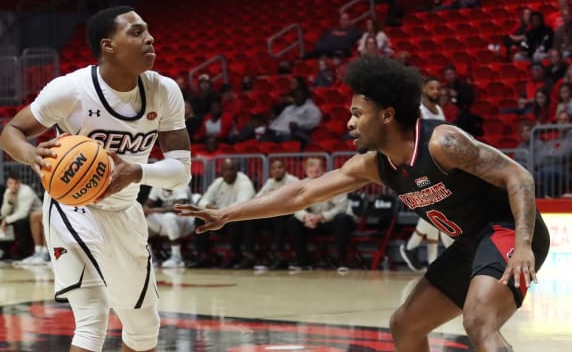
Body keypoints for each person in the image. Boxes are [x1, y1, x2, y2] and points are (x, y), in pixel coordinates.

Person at [176, 56, 550, 351]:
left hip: (509, 231)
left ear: (387, 115)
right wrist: (226, 214)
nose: (349, 122)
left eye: (357, 114)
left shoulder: (442, 143)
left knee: (479, 322)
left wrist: (522, 246)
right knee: (405, 325)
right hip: (469, 243)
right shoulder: (374, 165)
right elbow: (303, 193)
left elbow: (518, 176)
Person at [0, 6, 191, 352]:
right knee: (92, 317)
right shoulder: (70, 90)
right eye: (136, 32)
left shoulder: (165, 91)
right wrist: (31, 155)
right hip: (74, 207)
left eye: (148, 30)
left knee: (144, 326)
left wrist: (139, 171)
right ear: (108, 46)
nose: (149, 38)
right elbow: (11, 131)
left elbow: (181, 171)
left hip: (125, 211)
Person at [400, 78, 454, 271]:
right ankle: (413, 248)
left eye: (438, 87)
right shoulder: (420, 110)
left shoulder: (440, 111)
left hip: (438, 163)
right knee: (437, 208)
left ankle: (427, 258)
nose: (436, 90)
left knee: (436, 208)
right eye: (432, 87)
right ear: (424, 90)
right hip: (421, 164)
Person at [187, 159, 255, 269]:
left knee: (236, 218)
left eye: (231, 169)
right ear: (221, 172)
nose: (228, 172)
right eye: (225, 170)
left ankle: (237, 255)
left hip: (237, 221)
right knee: (200, 217)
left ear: (236, 170)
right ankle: (202, 256)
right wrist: (212, 209)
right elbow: (203, 201)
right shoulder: (218, 182)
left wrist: (217, 211)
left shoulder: (244, 182)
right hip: (220, 219)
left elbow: (240, 206)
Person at [0, 171, 46, 264]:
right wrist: (9, 202)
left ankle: (38, 252)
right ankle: (4, 253)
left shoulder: (26, 191)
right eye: (10, 183)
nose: (13, 186)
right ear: (7, 183)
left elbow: (23, 213)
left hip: (36, 215)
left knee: (23, 221)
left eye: (16, 183)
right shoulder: (7, 192)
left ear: (20, 183)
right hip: (22, 217)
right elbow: (3, 213)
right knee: (1, 222)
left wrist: (7, 220)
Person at [143, 185, 194, 268]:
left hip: (187, 222)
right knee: (141, 217)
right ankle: (150, 258)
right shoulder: (157, 185)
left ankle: (177, 258)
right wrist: (144, 209)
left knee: (169, 217)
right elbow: (147, 204)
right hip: (169, 222)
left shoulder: (182, 183)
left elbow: (177, 208)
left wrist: (154, 210)